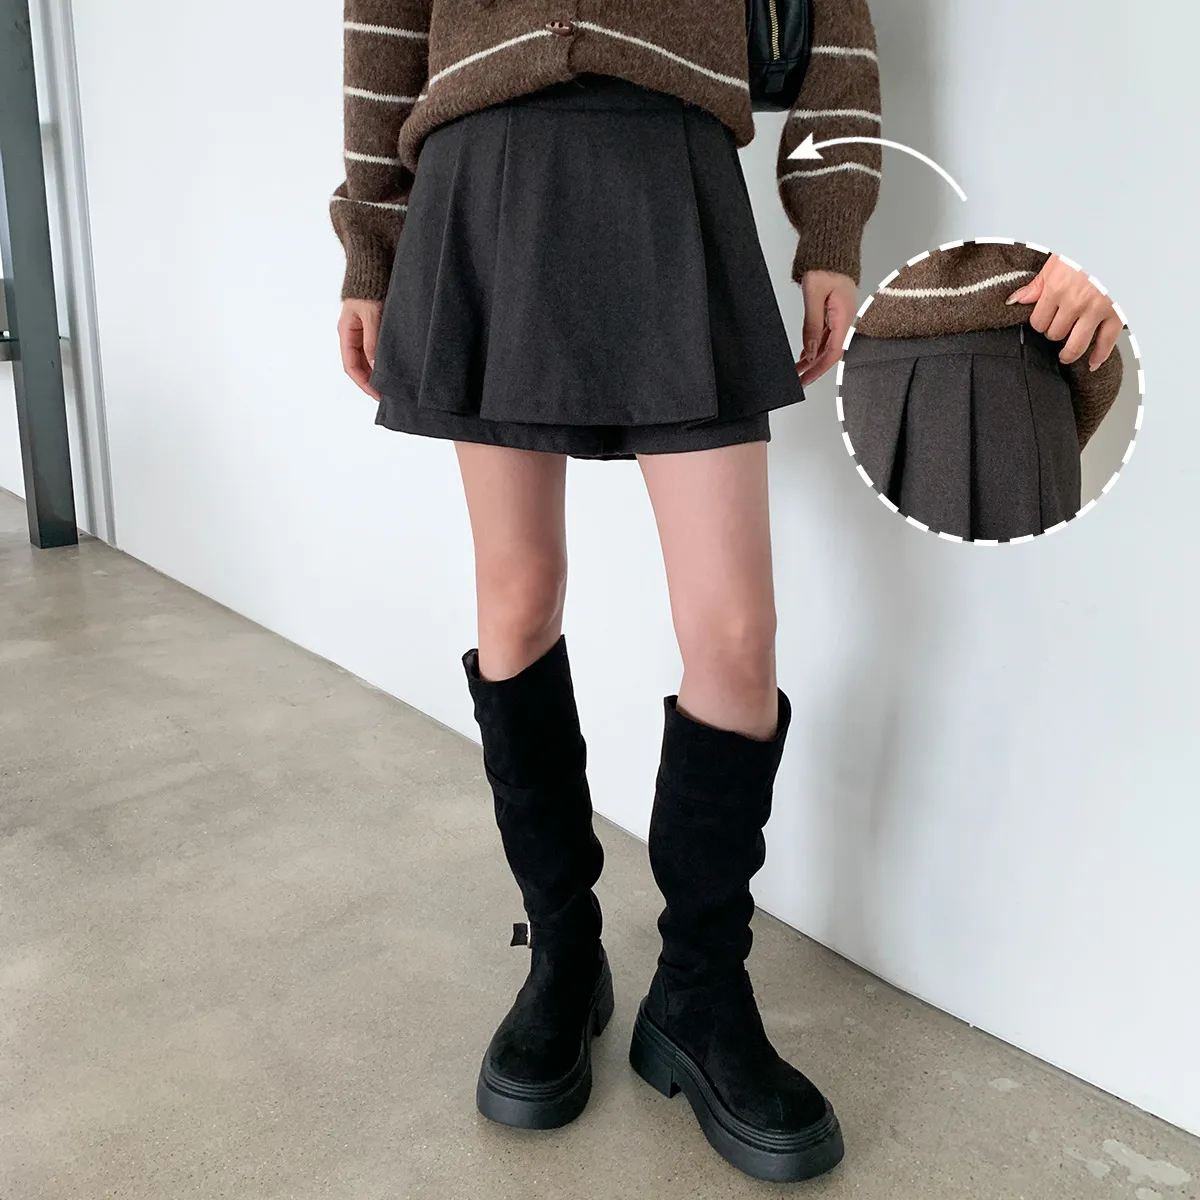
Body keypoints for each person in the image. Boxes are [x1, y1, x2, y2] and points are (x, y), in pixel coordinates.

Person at [331, 1, 880, 1183]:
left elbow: (835, 20)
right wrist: (371, 240)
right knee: (517, 596)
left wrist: (830, 226)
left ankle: (700, 992)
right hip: (484, 170)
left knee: (736, 629)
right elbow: (384, 19)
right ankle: (562, 952)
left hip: (672, 163)